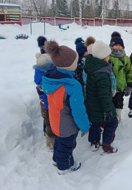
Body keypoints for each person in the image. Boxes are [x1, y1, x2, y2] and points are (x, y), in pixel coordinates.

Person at [42, 40, 91, 175]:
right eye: (75, 62)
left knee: (59, 141)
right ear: (69, 66)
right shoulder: (72, 86)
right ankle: (64, 167)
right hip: (67, 124)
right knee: (66, 146)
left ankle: (56, 160)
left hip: (55, 120)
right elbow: (78, 110)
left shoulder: (50, 80)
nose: (77, 64)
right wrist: (85, 126)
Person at [84, 40, 118, 154]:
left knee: (94, 123)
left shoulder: (91, 67)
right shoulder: (102, 73)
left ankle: (94, 142)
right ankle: (106, 144)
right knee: (112, 123)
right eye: (108, 55)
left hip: (92, 105)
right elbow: (104, 95)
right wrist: (108, 110)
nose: (109, 57)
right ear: (103, 57)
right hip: (101, 106)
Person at [109, 32, 132, 122]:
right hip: (109, 88)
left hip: (120, 88)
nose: (118, 47)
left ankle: (117, 117)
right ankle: (108, 119)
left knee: (118, 104)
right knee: (108, 104)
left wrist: (130, 85)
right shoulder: (107, 57)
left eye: (120, 45)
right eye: (116, 45)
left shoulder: (126, 59)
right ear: (111, 46)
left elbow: (130, 72)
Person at [33, 53, 55, 150]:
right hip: (49, 105)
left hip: (44, 105)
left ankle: (45, 132)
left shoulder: (38, 76)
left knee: (46, 121)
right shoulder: (46, 80)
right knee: (50, 124)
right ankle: (50, 144)